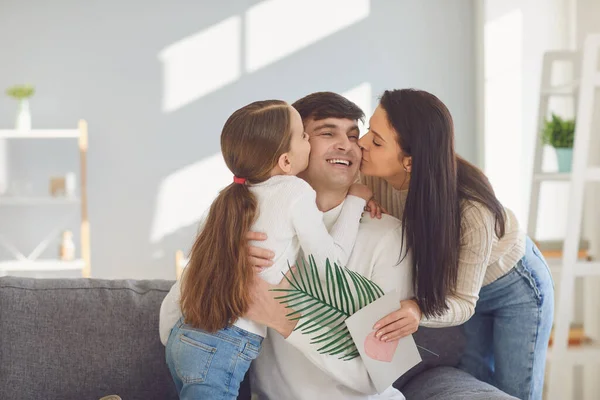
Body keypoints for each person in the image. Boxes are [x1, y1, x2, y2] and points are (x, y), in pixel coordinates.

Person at [160, 92, 415, 400]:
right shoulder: (241, 223)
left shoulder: (390, 236)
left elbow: (379, 373)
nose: (347, 145)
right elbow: (171, 319)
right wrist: (223, 260)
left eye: (352, 135)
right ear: (284, 154)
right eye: (324, 133)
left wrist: (285, 321)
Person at [358, 89, 554, 400]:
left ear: (409, 161)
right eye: (369, 129)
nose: (362, 142)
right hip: (463, 290)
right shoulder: (372, 175)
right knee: (475, 384)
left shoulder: (471, 211)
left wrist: (417, 310)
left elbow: (462, 301)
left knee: (515, 391)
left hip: (514, 286)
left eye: (377, 140)